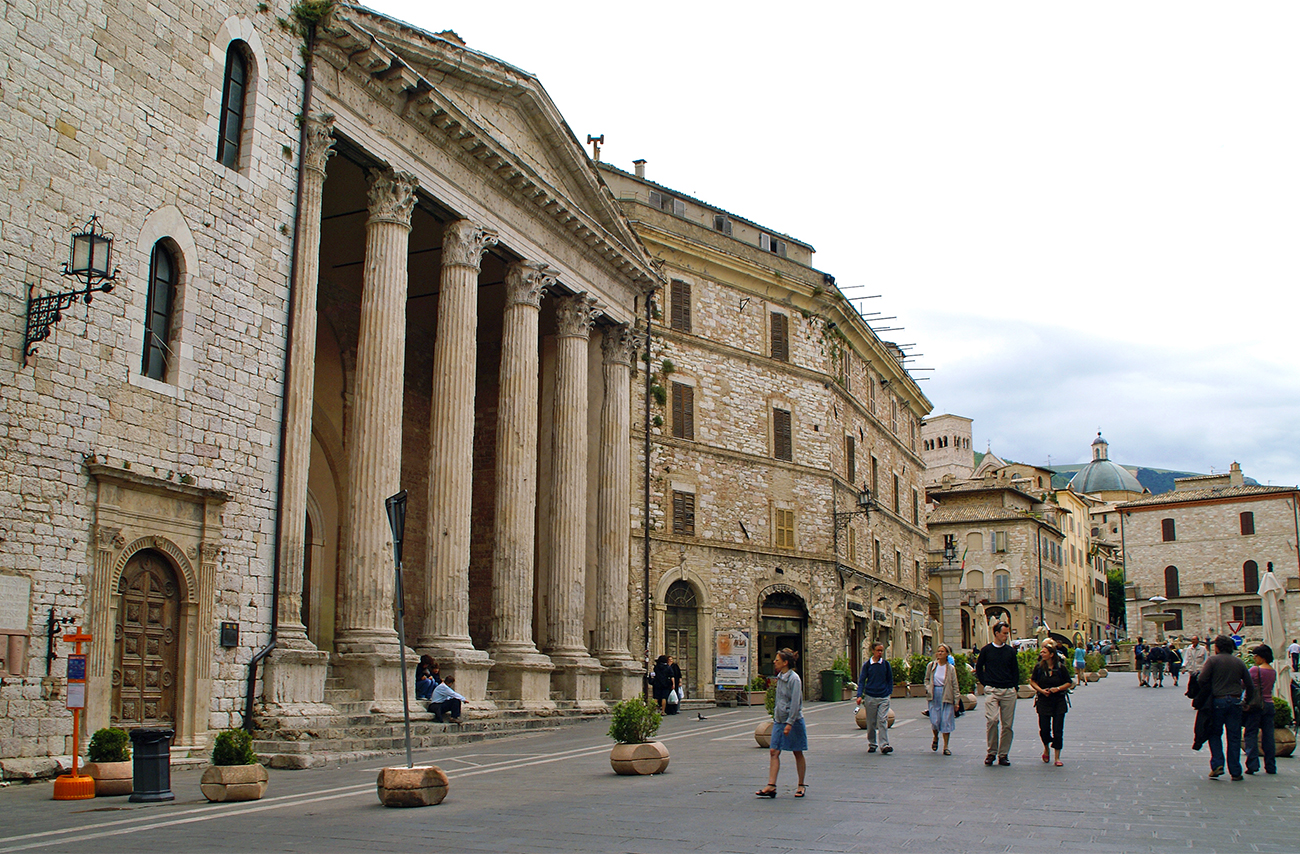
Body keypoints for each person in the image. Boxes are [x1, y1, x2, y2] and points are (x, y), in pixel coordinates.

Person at [1194, 635, 1258, 781]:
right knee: (1234, 737)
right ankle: (1235, 770)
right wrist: (1246, 700)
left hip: (1217, 701)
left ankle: (1217, 764)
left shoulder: (1212, 660)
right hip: (1235, 702)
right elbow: (1249, 684)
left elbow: (1202, 679)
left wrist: (1209, 688)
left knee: (1215, 733)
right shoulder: (1239, 662)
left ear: (1217, 647)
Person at [756, 648, 807, 798]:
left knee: (797, 751)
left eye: (777, 660)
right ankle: (771, 785)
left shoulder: (794, 679)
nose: (774, 662)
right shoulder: (780, 677)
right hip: (779, 720)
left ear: (785, 663)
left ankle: (801, 785)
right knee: (774, 751)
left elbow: (796, 703)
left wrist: (790, 723)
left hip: (794, 721)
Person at [976, 621, 1019, 766]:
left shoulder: (1010, 651)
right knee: (992, 720)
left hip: (1008, 690)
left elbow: (1015, 670)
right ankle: (991, 752)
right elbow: (979, 667)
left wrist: (1014, 687)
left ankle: (1003, 754)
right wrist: (985, 683)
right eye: (1005, 633)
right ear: (996, 633)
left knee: (1007, 725)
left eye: (1008, 633)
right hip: (992, 690)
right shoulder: (986, 650)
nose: (1007, 636)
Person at [1030, 642, 1072, 766]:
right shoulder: (1039, 668)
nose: (1041, 654)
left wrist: (1057, 689)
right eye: (1041, 652)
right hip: (1044, 700)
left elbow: (1068, 682)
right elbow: (1032, 681)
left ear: (1051, 654)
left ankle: (1057, 757)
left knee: (1058, 729)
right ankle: (1046, 747)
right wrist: (1041, 690)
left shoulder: (1060, 667)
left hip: (1058, 700)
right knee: (1044, 729)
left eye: (1044, 652)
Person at [1243, 644, 1278, 776]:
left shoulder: (1254, 670)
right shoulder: (1272, 671)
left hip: (1256, 705)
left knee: (1251, 733)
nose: (1254, 658)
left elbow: (1244, 684)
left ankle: (1252, 764)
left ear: (1261, 657)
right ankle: (1270, 765)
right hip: (1269, 704)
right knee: (1268, 736)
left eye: (1256, 656)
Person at [854, 642, 894, 754]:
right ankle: (872, 743)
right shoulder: (867, 665)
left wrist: (889, 692)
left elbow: (890, 679)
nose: (880, 653)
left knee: (882, 720)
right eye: (878, 650)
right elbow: (862, 680)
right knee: (871, 722)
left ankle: (884, 745)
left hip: (883, 696)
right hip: (870, 696)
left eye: (882, 650)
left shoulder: (886, 665)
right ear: (873, 651)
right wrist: (859, 695)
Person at [925, 643, 958, 755]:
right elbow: (927, 679)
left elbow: (955, 684)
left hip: (947, 694)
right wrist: (928, 688)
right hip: (934, 694)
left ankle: (946, 746)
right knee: (935, 720)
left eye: (942, 651)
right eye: (938, 651)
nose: (939, 653)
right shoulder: (932, 665)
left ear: (947, 654)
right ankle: (935, 737)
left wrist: (956, 700)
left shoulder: (950, 668)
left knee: (946, 720)